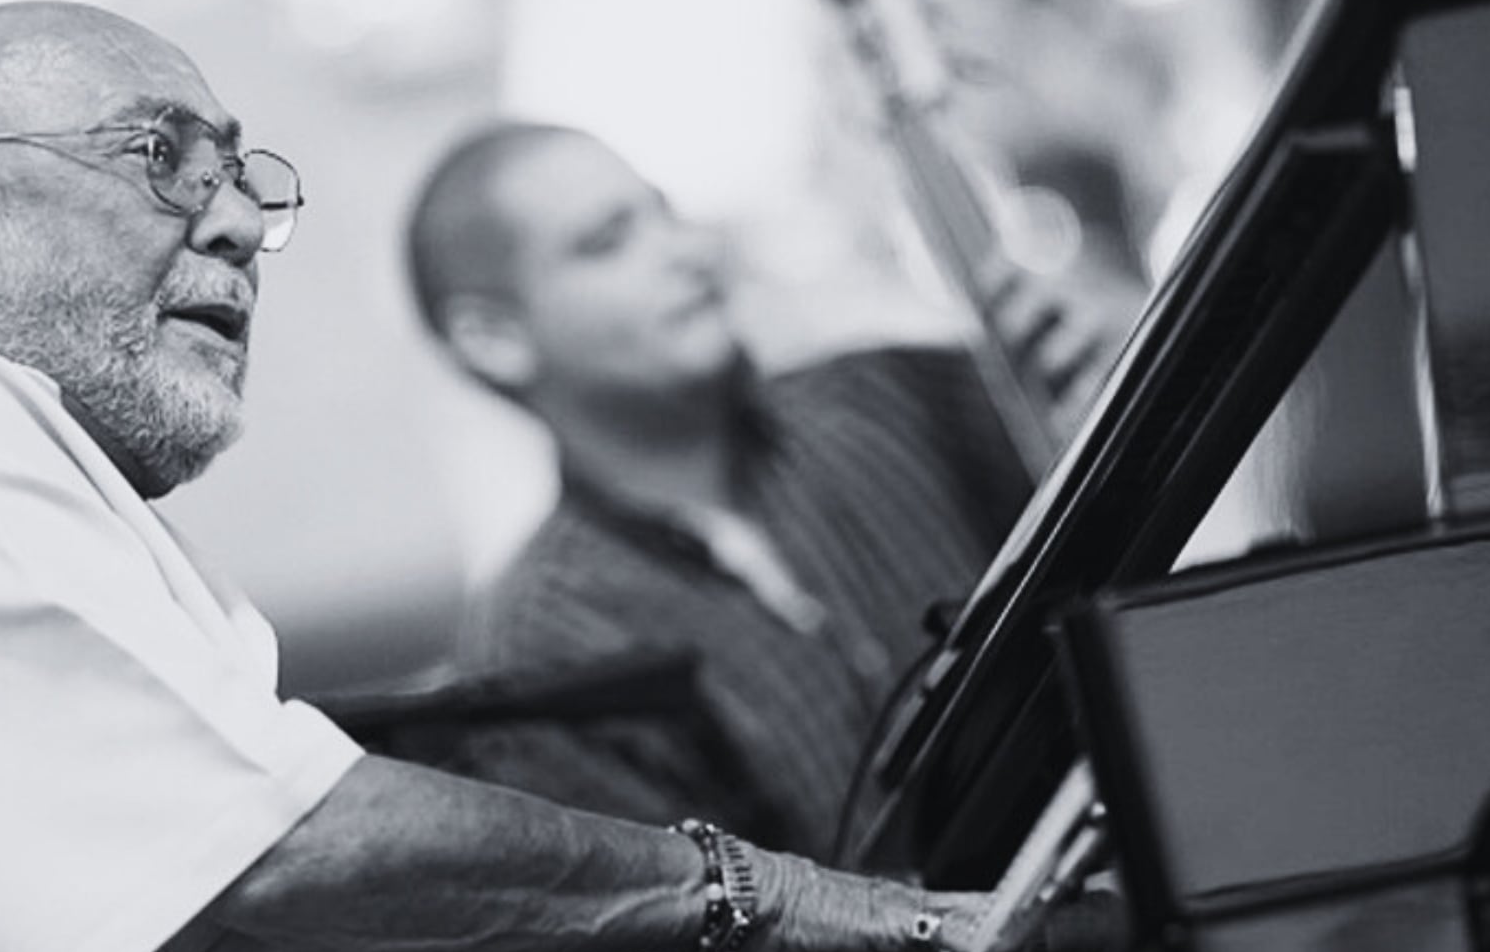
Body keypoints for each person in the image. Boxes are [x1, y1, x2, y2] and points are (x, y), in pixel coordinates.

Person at [0, 2, 986, 952]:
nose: (228, 225)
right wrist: (748, 892)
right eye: (158, 158)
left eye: (236, 179)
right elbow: (294, 848)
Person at [402, 123, 1110, 862]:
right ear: (493, 338)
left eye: (665, 214)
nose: (688, 253)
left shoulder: (894, 398)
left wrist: (1108, 386)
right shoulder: (540, 647)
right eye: (607, 242)